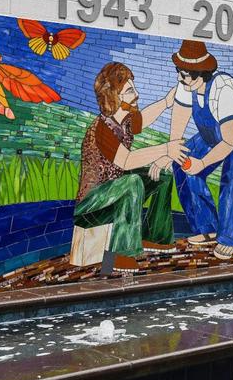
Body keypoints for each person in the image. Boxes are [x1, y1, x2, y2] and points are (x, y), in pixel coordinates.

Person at [71, 62, 189, 273]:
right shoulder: (102, 129)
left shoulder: (124, 121)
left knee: (162, 177)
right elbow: (126, 161)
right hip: (92, 204)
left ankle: (155, 238)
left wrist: (166, 102)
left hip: (115, 190)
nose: (137, 94)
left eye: (134, 88)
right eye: (129, 91)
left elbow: (143, 120)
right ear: (114, 97)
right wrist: (165, 149)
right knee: (132, 182)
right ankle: (119, 256)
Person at [164, 40, 233, 261]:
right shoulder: (187, 86)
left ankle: (229, 238)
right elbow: (179, 121)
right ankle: (207, 228)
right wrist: (172, 151)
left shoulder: (223, 89)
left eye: (184, 74)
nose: (180, 78)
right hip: (210, 136)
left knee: (232, 179)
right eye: (179, 72)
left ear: (200, 74)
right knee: (181, 162)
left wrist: (203, 163)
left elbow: (229, 142)